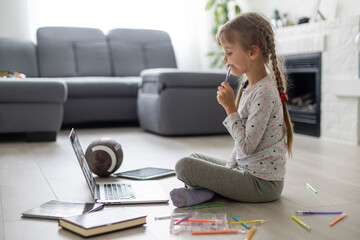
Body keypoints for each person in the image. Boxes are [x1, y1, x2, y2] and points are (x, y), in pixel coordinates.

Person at [170, 12, 293, 208]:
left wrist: (230, 108)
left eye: (229, 53)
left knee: (184, 166)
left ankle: (206, 192)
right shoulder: (249, 86)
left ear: (253, 52)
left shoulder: (265, 93)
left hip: (262, 184)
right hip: (245, 171)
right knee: (193, 159)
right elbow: (241, 150)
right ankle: (208, 192)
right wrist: (227, 170)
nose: (226, 60)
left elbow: (246, 146)